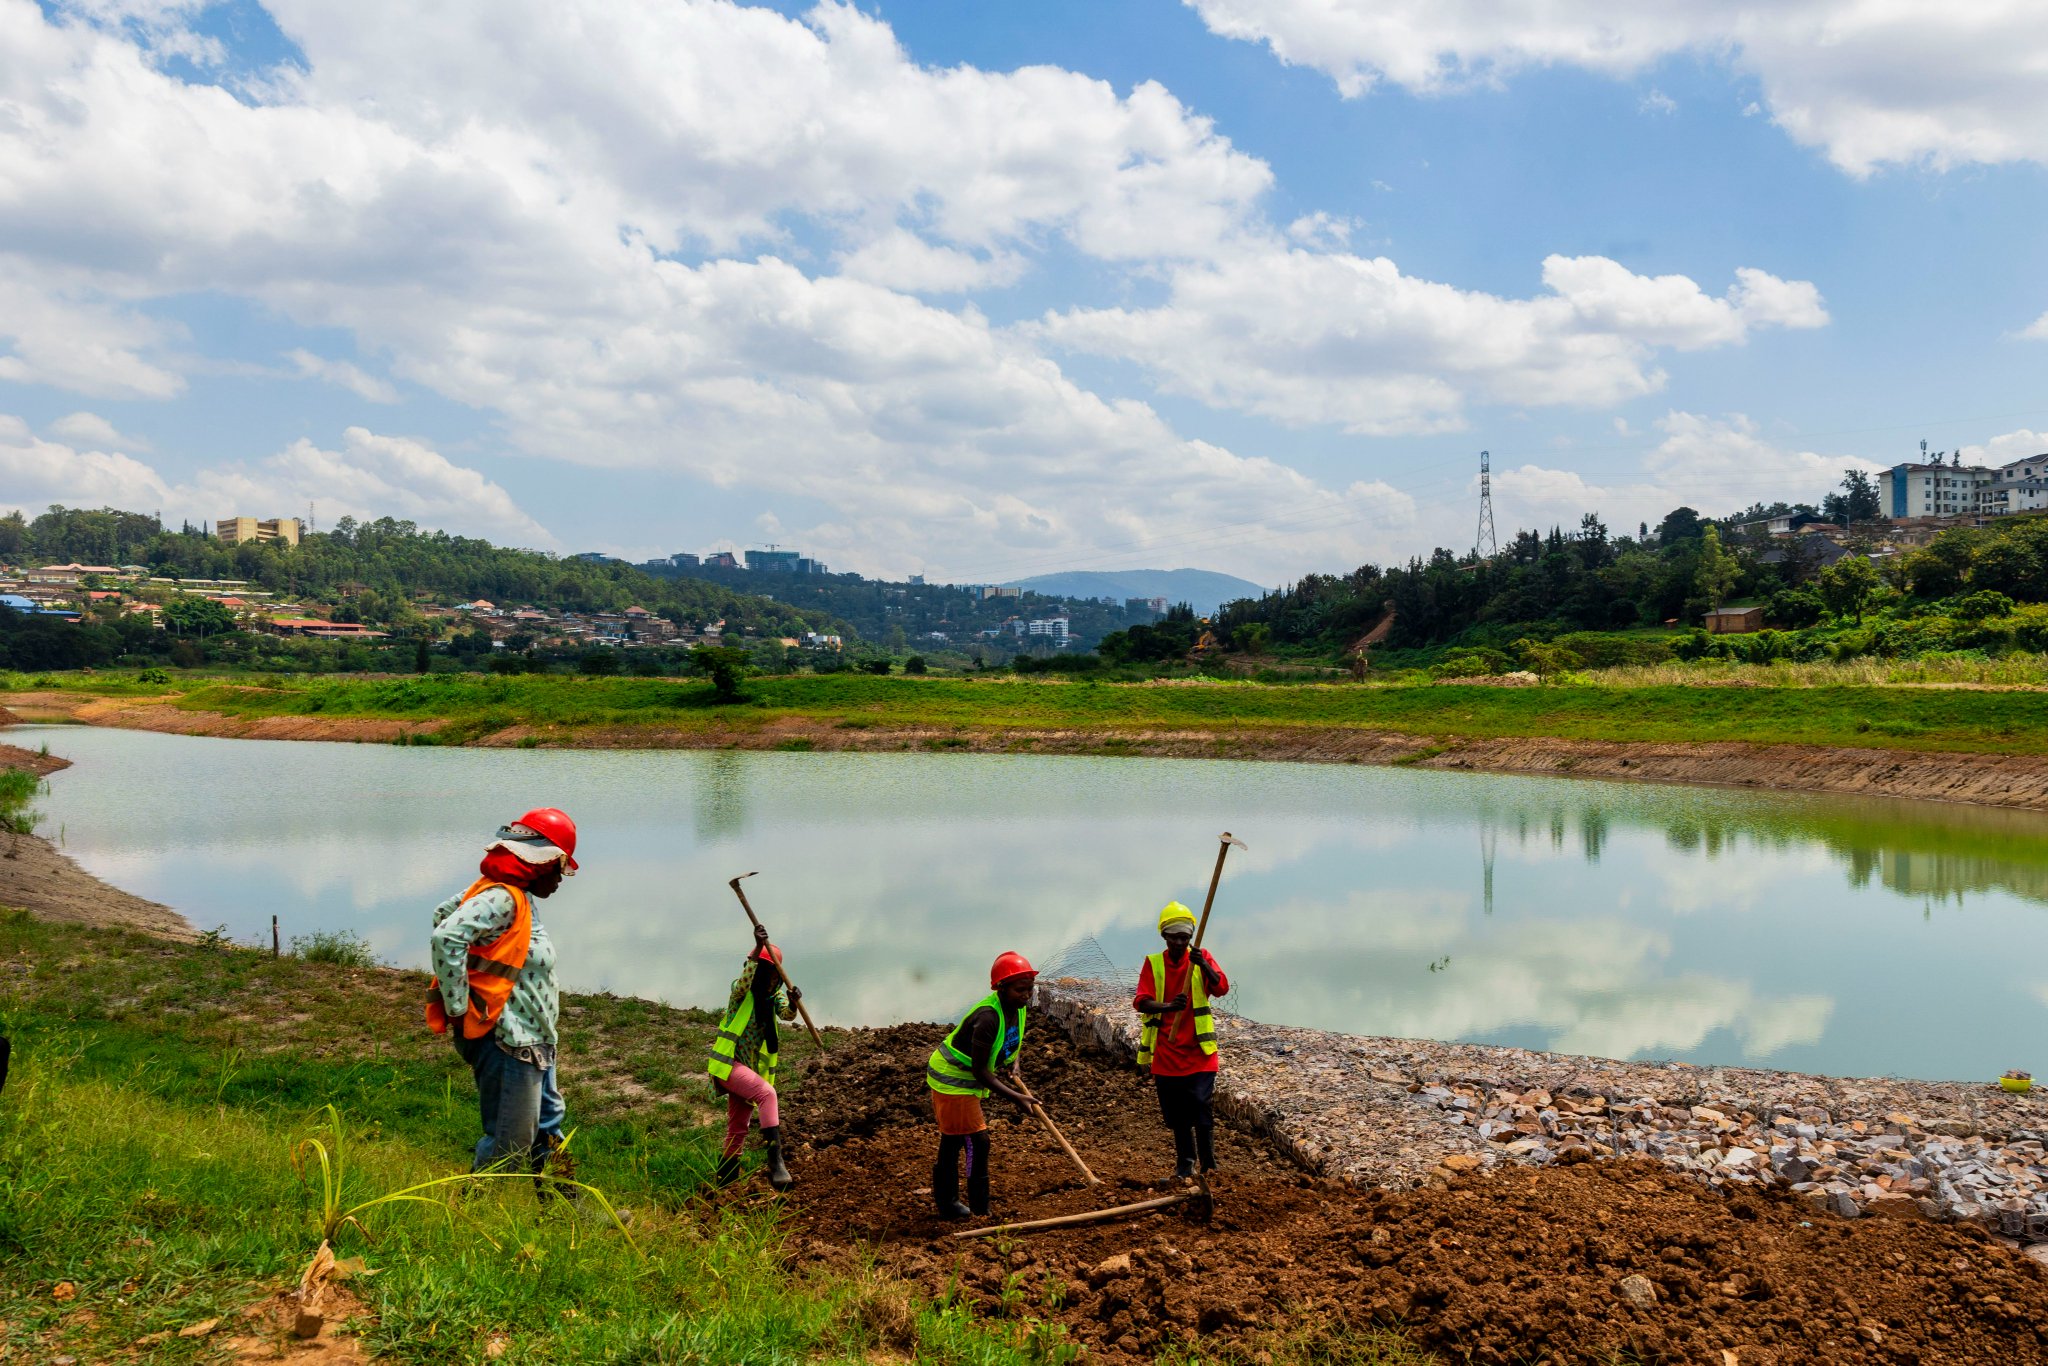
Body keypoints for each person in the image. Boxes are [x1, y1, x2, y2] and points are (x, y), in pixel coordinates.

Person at [428, 807, 579, 1190]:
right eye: (558, 867)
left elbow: (442, 913)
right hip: (509, 1040)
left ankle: (568, 1212)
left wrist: (479, 962)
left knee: (548, 1129)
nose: (561, 879)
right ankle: (472, 1217)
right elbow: (446, 935)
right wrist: (460, 1005)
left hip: (536, 1039)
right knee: (509, 1144)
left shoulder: (515, 898)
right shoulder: (504, 899)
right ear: (538, 864)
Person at [925, 951, 1037, 1219]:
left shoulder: (1017, 1009)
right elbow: (980, 1072)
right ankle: (979, 1210)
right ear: (1001, 988)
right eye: (1020, 990)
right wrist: (1016, 1098)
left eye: (1030, 989)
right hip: (953, 1079)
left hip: (967, 1080)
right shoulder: (987, 1017)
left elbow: (1013, 1040)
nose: (1026, 995)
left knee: (952, 1140)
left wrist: (1014, 1063)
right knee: (977, 1140)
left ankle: (948, 1203)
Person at [1134, 901, 1230, 1179]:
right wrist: (1168, 1007)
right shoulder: (1154, 963)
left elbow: (1221, 987)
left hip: (1200, 1052)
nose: (1179, 942)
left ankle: (1210, 1167)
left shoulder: (1201, 958)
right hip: (1166, 1053)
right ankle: (1184, 1166)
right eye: (1174, 937)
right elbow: (1141, 1001)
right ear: (1164, 936)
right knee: (1177, 1115)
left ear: (1190, 938)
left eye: (1184, 938)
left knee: (1201, 1106)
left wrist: (1203, 965)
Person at [706, 923, 803, 1190]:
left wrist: (794, 1002)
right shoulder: (740, 993)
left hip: (745, 1069)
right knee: (767, 1094)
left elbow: (787, 1014)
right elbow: (743, 983)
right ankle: (776, 1164)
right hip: (728, 1064)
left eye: (774, 975)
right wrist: (757, 950)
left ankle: (724, 1184)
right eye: (764, 972)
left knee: (738, 1128)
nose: (769, 979)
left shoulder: (773, 998)